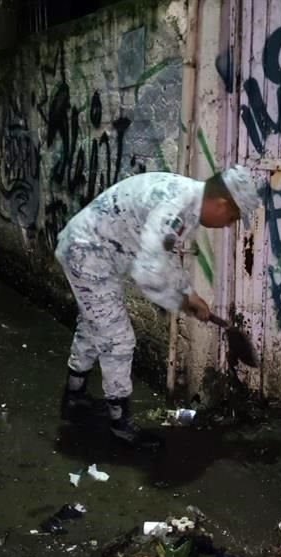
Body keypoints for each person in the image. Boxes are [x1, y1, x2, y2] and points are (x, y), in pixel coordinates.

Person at [55, 166, 261, 446]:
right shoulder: (175, 205)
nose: (229, 224)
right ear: (221, 203)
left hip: (98, 253)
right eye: (233, 217)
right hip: (86, 254)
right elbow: (147, 273)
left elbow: (165, 254)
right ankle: (119, 424)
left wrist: (189, 292)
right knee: (117, 340)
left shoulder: (189, 202)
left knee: (95, 325)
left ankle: (74, 396)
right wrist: (180, 302)